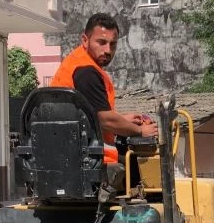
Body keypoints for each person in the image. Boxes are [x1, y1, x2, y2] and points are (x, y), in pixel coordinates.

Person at [51, 13, 157, 165]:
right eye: (101, 42)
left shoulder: (78, 62)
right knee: (143, 170)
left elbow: (92, 116)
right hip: (88, 160)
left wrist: (122, 120)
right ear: (85, 40)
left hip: (74, 152)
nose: (108, 50)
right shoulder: (86, 72)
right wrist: (141, 131)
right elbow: (105, 121)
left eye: (112, 44)